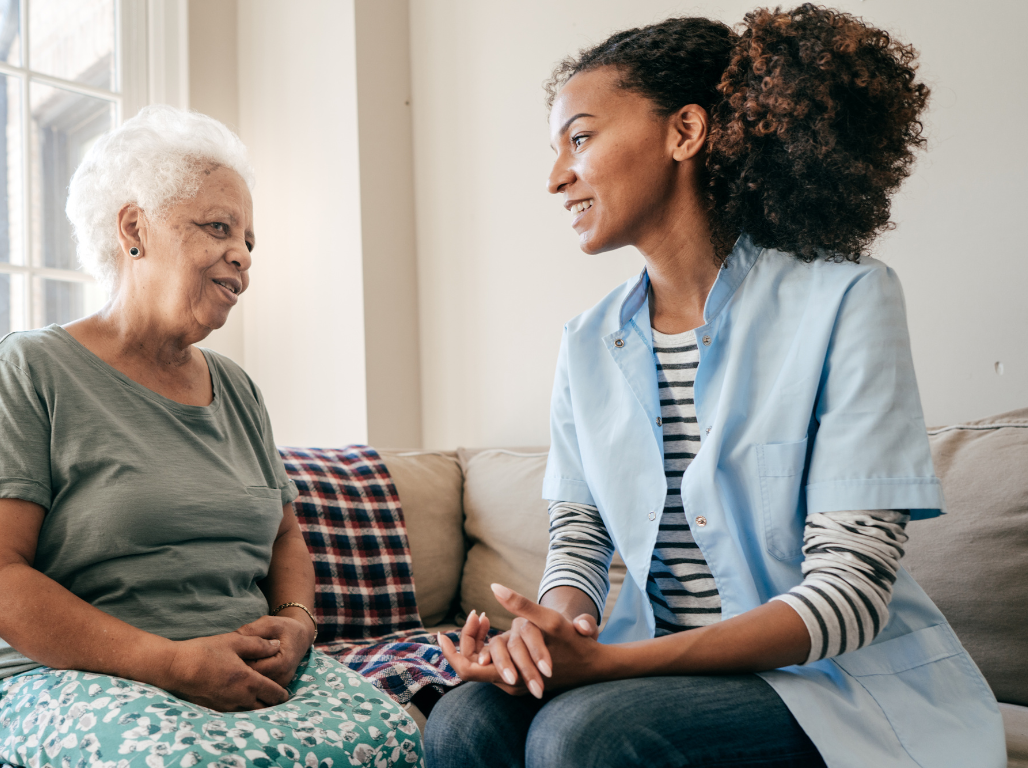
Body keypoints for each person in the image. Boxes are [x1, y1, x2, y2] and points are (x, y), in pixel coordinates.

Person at [425, 6, 1003, 768]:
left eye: (582, 137)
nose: (556, 175)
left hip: (827, 681)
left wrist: (610, 668)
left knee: (585, 736)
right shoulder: (586, 343)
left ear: (685, 133)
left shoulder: (847, 299)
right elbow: (581, 541)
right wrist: (550, 632)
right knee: (466, 722)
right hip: (654, 668)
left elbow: (851, 597)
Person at [0, 105, 421, 768]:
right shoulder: (30, 369)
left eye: (249, 241)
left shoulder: (239, 390)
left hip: (236, 668)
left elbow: (285, 538)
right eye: (218, 228)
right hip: (58, 676)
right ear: (134, 228)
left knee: (400, 740)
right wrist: (172, 663)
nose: (242, 257)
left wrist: (296, 623)